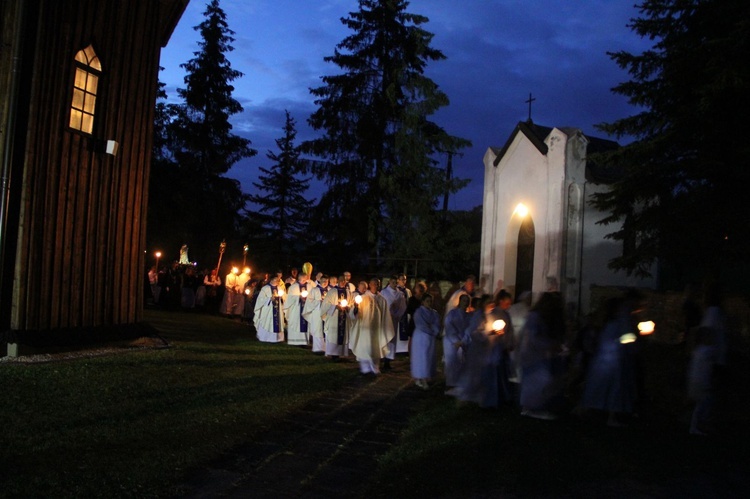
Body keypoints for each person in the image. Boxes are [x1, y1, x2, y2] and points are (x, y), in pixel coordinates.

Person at [580, 295, 639, 426]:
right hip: (616, 360)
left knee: (598, 386)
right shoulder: (620, 322)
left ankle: (588, 409)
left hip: (601, 360)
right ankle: (611, 417)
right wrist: (633, 348)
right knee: (615, 389)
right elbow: (627, 339)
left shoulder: (603, 322)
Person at [519, 292, 567, 420]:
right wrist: (551, 345)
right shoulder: (535, 317)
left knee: (548, 380)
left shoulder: (544, 317)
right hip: (534, 355)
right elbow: (533, 338)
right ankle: (531, 408)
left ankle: (543, 406)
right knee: (539, 381)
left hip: (542, 355)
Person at [348, 281, 394, 375]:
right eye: (374, 284)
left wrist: (385, 327)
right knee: (366, 347)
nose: (376, 286)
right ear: (370, 285)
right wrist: (356, 308)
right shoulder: (363, 297)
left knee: (375, 348)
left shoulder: (382, 299)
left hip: (377, 328)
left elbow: (385, 315)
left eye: (378, 284)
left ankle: (375, 367)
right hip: (365, 328)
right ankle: (365, 368)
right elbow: (354, 314)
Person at [411, 293, 441, 389]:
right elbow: (421, 325)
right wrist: (431, 330)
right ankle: (420, 378)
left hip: (430, 339)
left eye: (430, 301)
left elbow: (437, 324)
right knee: (421, 358)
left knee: (429, 357)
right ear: (423, 302)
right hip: (420, 338)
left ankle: (426, 375)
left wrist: (433, 331)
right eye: (427, 301)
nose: (429, 303)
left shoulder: (434, 313)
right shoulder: (419, 312)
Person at [443, 294, 471, 387]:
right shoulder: (452, 313)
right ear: (460, 301)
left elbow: (469, 330)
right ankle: (451, 383)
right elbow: (449, 326)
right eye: (463, 301)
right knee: (452, 363)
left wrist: (463, 341)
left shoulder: (468, 316)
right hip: (452, 342)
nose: (465, 303)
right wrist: (456, 340)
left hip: (462, 342)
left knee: (462, 364)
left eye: (467, 301)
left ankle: (459, 383)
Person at [380, 275, 407, 370]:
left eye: (396, 282)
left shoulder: (400, 294)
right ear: (389, 282)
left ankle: (388, 361)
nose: (394, 284)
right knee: (384, 339)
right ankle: (381, 358)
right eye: (392, 282)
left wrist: (396, 315)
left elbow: (403, 307)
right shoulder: (383, 292)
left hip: (394, 319)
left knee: (391, 340)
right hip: (384, 319)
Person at [322, 275, 351, 359]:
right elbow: (325, 304)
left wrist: (348, 307)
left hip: (344, 316)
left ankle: (341, 353)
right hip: (334, 317)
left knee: (343, 334)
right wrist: (335, 307)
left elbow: (351, 304)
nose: (342, 282)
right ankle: (333, 354)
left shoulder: (348, 292)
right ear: (338, 281)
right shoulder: (332, 291)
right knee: (334, 335)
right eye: (341, 280)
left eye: (344, 281)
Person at [254, 275, 286, 343]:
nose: (278, 281)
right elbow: (260, 299)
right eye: (276, 280)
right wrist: (269, 299)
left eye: (278, 280)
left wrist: (282, 298)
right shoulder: (265, 288)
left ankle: (278, 338)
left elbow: (285, 297)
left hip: (278, 309)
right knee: (267, 322)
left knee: (278, 321)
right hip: (268, 310)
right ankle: (265, 337)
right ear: (271, 280)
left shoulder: (280, 288)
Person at [303, 274, 329, 353]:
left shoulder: (330, 290)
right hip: (317, 313)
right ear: (320, 281)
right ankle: (318, 348)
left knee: (326, 330)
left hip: (327, 314)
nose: (325, 282)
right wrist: (319, 302)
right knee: (318, 329)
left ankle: (327, 349)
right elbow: (309, 302)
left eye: (326, 281)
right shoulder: (314, 290)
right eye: (323, 281)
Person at [285, 272, 312, 346]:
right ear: (299, 278)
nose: (304, 280)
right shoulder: (293, 287)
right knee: (296, 324)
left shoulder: (309, 286)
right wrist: (298, 297)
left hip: (306, 309)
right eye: (303, 279)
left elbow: (312, 296)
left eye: (305, 279)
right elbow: (289, 298)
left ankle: (305, 342)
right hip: (296, 309)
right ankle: (295, 341)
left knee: (306, 323)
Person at [394, 274, 412, 353]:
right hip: (398, 314)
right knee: (398, 331)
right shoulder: (395, 290)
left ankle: (404, 349)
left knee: (405, 330)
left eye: (405, 279)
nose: (403, 281)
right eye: (402, 279)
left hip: (406, 314)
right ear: (398, 280)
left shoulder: (407, 291)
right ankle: (397, 349)